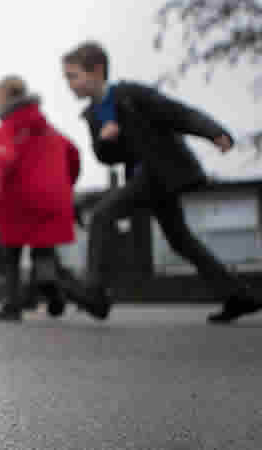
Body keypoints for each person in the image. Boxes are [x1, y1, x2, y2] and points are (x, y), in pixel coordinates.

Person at [62, 41, 262, 324]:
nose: (69, 84)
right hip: (146, 176)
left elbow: (176, 113)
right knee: (180, 239)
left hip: (161, 170)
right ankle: (238, 296)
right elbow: (106, 157)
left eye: (73, 76)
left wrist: (212, 131)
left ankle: (95, 291)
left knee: (102, 214)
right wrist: (107, 141)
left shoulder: (130, 95)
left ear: (96, 70)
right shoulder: (94, 114)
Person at [0, 76, 92, 322]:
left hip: (19, 202)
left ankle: (12, 305)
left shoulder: (10, 128)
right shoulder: (48, 129)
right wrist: (65, 185)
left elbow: (2, 156)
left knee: (11, 255)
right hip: (51, 201)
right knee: (43, 252)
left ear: (7, 98)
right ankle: (54, 289)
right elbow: (73, 154)